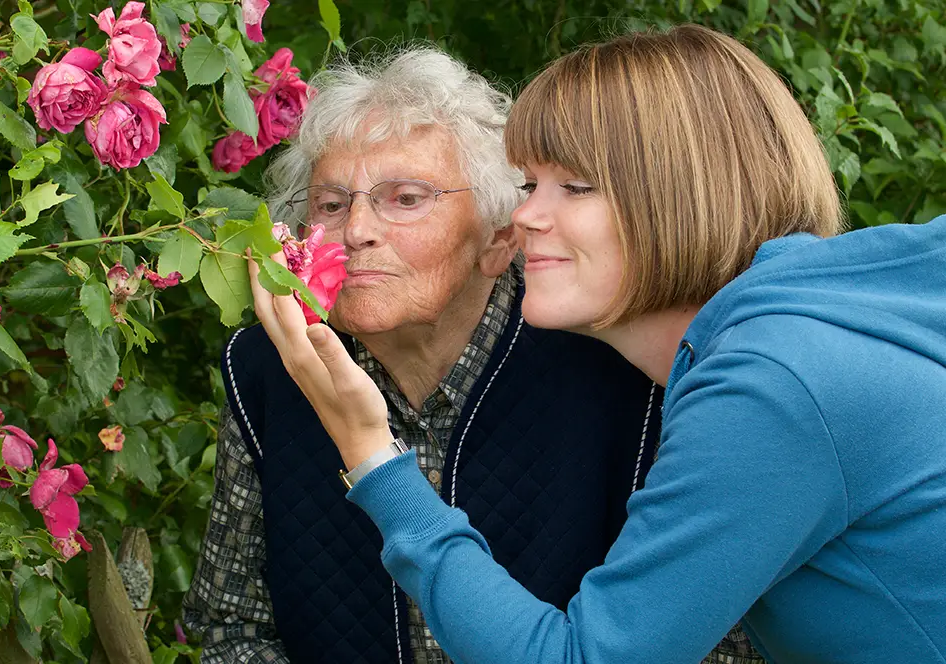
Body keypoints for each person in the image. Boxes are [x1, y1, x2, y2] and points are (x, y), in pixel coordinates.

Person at [249, 25, 946, 663]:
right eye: (529, 184)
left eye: (572, 186)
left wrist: (372, 455)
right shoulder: (792, 330)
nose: (524, 214)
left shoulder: (774, 383)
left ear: (675, 196)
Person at [184, 47, 665, 664]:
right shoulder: (267, 369)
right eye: (330, 205)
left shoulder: (617, 366)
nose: (356, 229)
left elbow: (702, 640)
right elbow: (233, 629)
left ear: (498, 238)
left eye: (405, 198)